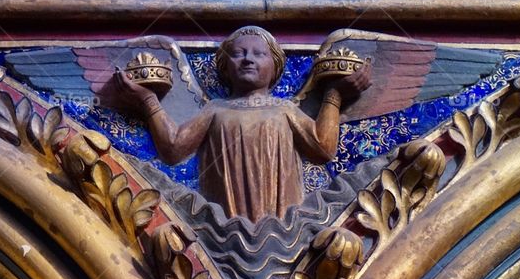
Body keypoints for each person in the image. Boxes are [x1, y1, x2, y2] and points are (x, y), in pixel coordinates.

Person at [114, 26, 371, 222]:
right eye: (238, 54)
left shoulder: (284, 109)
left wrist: (333, 97)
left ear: (275, 67)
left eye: (259, 54)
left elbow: (323, 147)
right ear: (225, 68)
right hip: (226, 223)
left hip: (282, 223)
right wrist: (149, 102)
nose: (248, 59)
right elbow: (173, 149)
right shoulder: (215, 110)